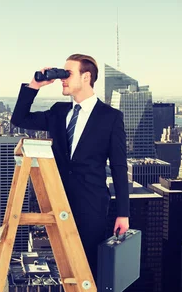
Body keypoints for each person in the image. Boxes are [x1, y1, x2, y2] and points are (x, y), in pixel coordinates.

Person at [10, 53, 130, 278]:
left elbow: (119, 167)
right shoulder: (59, 111)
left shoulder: (110, 117)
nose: (63, 78)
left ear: (86, 77)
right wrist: (35, 84)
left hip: (91, 204)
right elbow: (19, 119)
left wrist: (123, 213)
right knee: (66, 270)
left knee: (89, 269)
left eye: (68, 73)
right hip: (58, 200)